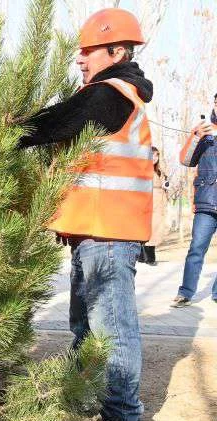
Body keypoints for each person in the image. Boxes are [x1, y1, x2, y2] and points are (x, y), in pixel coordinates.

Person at [18, 8, 152, 421]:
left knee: (111, 331)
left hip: (108, 235)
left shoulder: (111, 93)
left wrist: (2, 130)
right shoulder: (112, 93)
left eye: (87, 51)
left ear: (116, 51)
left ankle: (122, 413)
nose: (80, 59)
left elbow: (58, 122)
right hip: (94, 233)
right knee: (86, 328)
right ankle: (82, 398)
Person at [172, 95, 217, 308]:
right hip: (207, 201)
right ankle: (186, 292)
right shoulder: (204, 132)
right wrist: (196, 137)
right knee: (196, 248)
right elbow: (186, 160)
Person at [138, 146, 169, 265]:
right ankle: (148, 257)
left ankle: (144, 256)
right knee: (150, 228)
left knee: (156, 228)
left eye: (157, 155)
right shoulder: (144, 170)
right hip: (148, 201)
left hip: (159, 202)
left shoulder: (159, 171)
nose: (155, 158)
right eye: (152, 155)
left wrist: (165, 183)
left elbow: (165, 185)